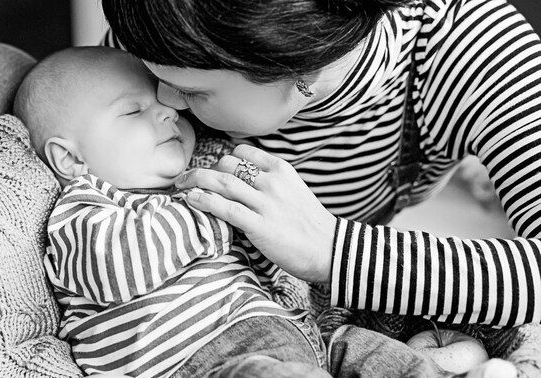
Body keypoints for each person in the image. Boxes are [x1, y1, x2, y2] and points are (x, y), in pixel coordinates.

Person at [12, 45, 516, 378]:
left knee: (366, 351)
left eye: (177, 95)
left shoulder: (191, 181)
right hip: (202, 371)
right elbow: (118, 269)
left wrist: (266, 241)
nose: (169, 106)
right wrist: (211, 213)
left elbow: (259, 270)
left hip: (286, 332)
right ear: (70, 158)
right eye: (134, 109)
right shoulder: (85, 208)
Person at [97, 0, 541, 329]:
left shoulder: (467, 47)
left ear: (302, 72)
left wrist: (331, 250)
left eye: (190, 92)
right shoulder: (165, 28)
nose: (161, 99)